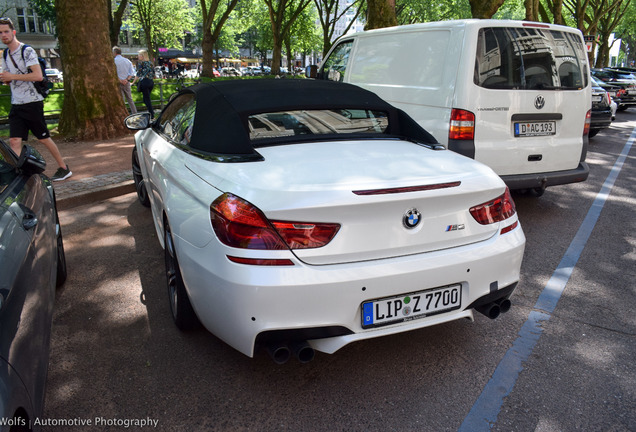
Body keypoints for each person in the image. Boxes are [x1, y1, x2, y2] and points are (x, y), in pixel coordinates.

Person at [0, 17, 71, 181]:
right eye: (0, 33)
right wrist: (7, 79)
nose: (3, 35)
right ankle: (20, 175)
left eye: (6, 31)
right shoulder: (5, 55)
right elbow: (9, 77)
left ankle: (63, 167)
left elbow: (38, 76)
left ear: (13, 32)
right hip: (16, 103)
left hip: (32, 102)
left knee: (43, 138)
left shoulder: (27, 51)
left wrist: (13, 76)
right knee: (14, 140)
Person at [112, 46, 137, 115]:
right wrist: (126, 79)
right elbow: (132, 73)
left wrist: (120, 80)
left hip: (118, 82)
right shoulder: (127, 61)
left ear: (114, 53)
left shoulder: (113, 61)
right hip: (127, 82)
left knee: (121, 100)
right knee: (130, 99)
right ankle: (134, 112)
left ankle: (123, 114)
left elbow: (113, 73)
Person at [132, 50, 154, 118]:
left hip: (144, 82)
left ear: (142, 56)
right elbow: (153, 72)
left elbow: (138, 74)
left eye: (139, 55)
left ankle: (151, 113)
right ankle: (150, 112)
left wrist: (133, 82)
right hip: (150, 82)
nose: (138, 56)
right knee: (146, 99)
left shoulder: (141, 64)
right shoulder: (150, 63)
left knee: (146, 99)